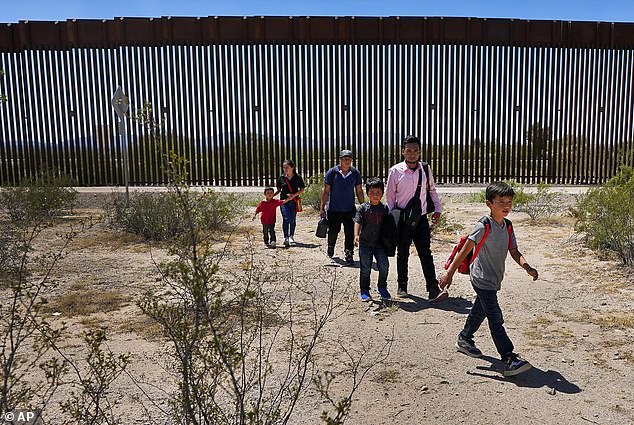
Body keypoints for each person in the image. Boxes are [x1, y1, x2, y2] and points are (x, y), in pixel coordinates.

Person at [440, 181, 539, 377]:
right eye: (501, 201)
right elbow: (465, 249)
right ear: (489, 203)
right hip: (481, 278)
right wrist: (449, 273)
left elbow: (514, 250)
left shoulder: (508, 226)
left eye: (509, 202)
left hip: (494, 278)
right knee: (495, 317)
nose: (506, 206)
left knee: (481, 309)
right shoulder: (483, 225)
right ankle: (508, 357)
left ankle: (464, 338)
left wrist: (526, 266)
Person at [385, 135, 444, 300]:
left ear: (419, 152)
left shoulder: (425, 169)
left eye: (416, 151)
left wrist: (437, 209)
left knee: (425, 252)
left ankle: (433, 288)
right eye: (409, 150)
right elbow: (390, 197)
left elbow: (432, 190)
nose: (412, 154)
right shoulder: (395, 171)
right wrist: (392, 220)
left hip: (421, 218)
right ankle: (402, 286)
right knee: (402, 252)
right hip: (403, 220)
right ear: (403, 151)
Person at [320, 149, 364, 265]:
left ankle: (349, 254)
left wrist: (363, 206)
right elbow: (326, 191)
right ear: (339, 160)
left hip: (349, 209)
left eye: (349, 159)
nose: (347, 162)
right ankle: (331, 245)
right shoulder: (332, 173)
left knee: (350, 233)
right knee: (334, 230)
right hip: (334, 209)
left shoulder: (355, 173)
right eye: (344, 159)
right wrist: (322, 207)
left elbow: (359, 191)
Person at [354, 177, 390, 302]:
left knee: (384, 266)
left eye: (378, 193)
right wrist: (356, 235)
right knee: (365, 268)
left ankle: (382, 287)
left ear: (382, 193)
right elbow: (357, 222)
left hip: (380, 244)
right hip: (365, 243)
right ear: (367, 193)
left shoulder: (385, 209)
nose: (375, 195)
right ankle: (364, 290)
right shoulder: (363, 208)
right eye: (372, 193)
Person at [275, 159, 305, 247]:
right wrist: (271, 196)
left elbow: (302, 189)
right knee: (286, 218)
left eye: (287, 167)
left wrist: (294, 195)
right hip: (284, 202)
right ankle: (286, 237)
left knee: (292, 219)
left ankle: (291, 236)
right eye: (284, 167)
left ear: (292, 167)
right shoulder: (281, 178)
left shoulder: (298, 177)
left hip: (294, 201)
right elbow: (279, 190)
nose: (285, 169)